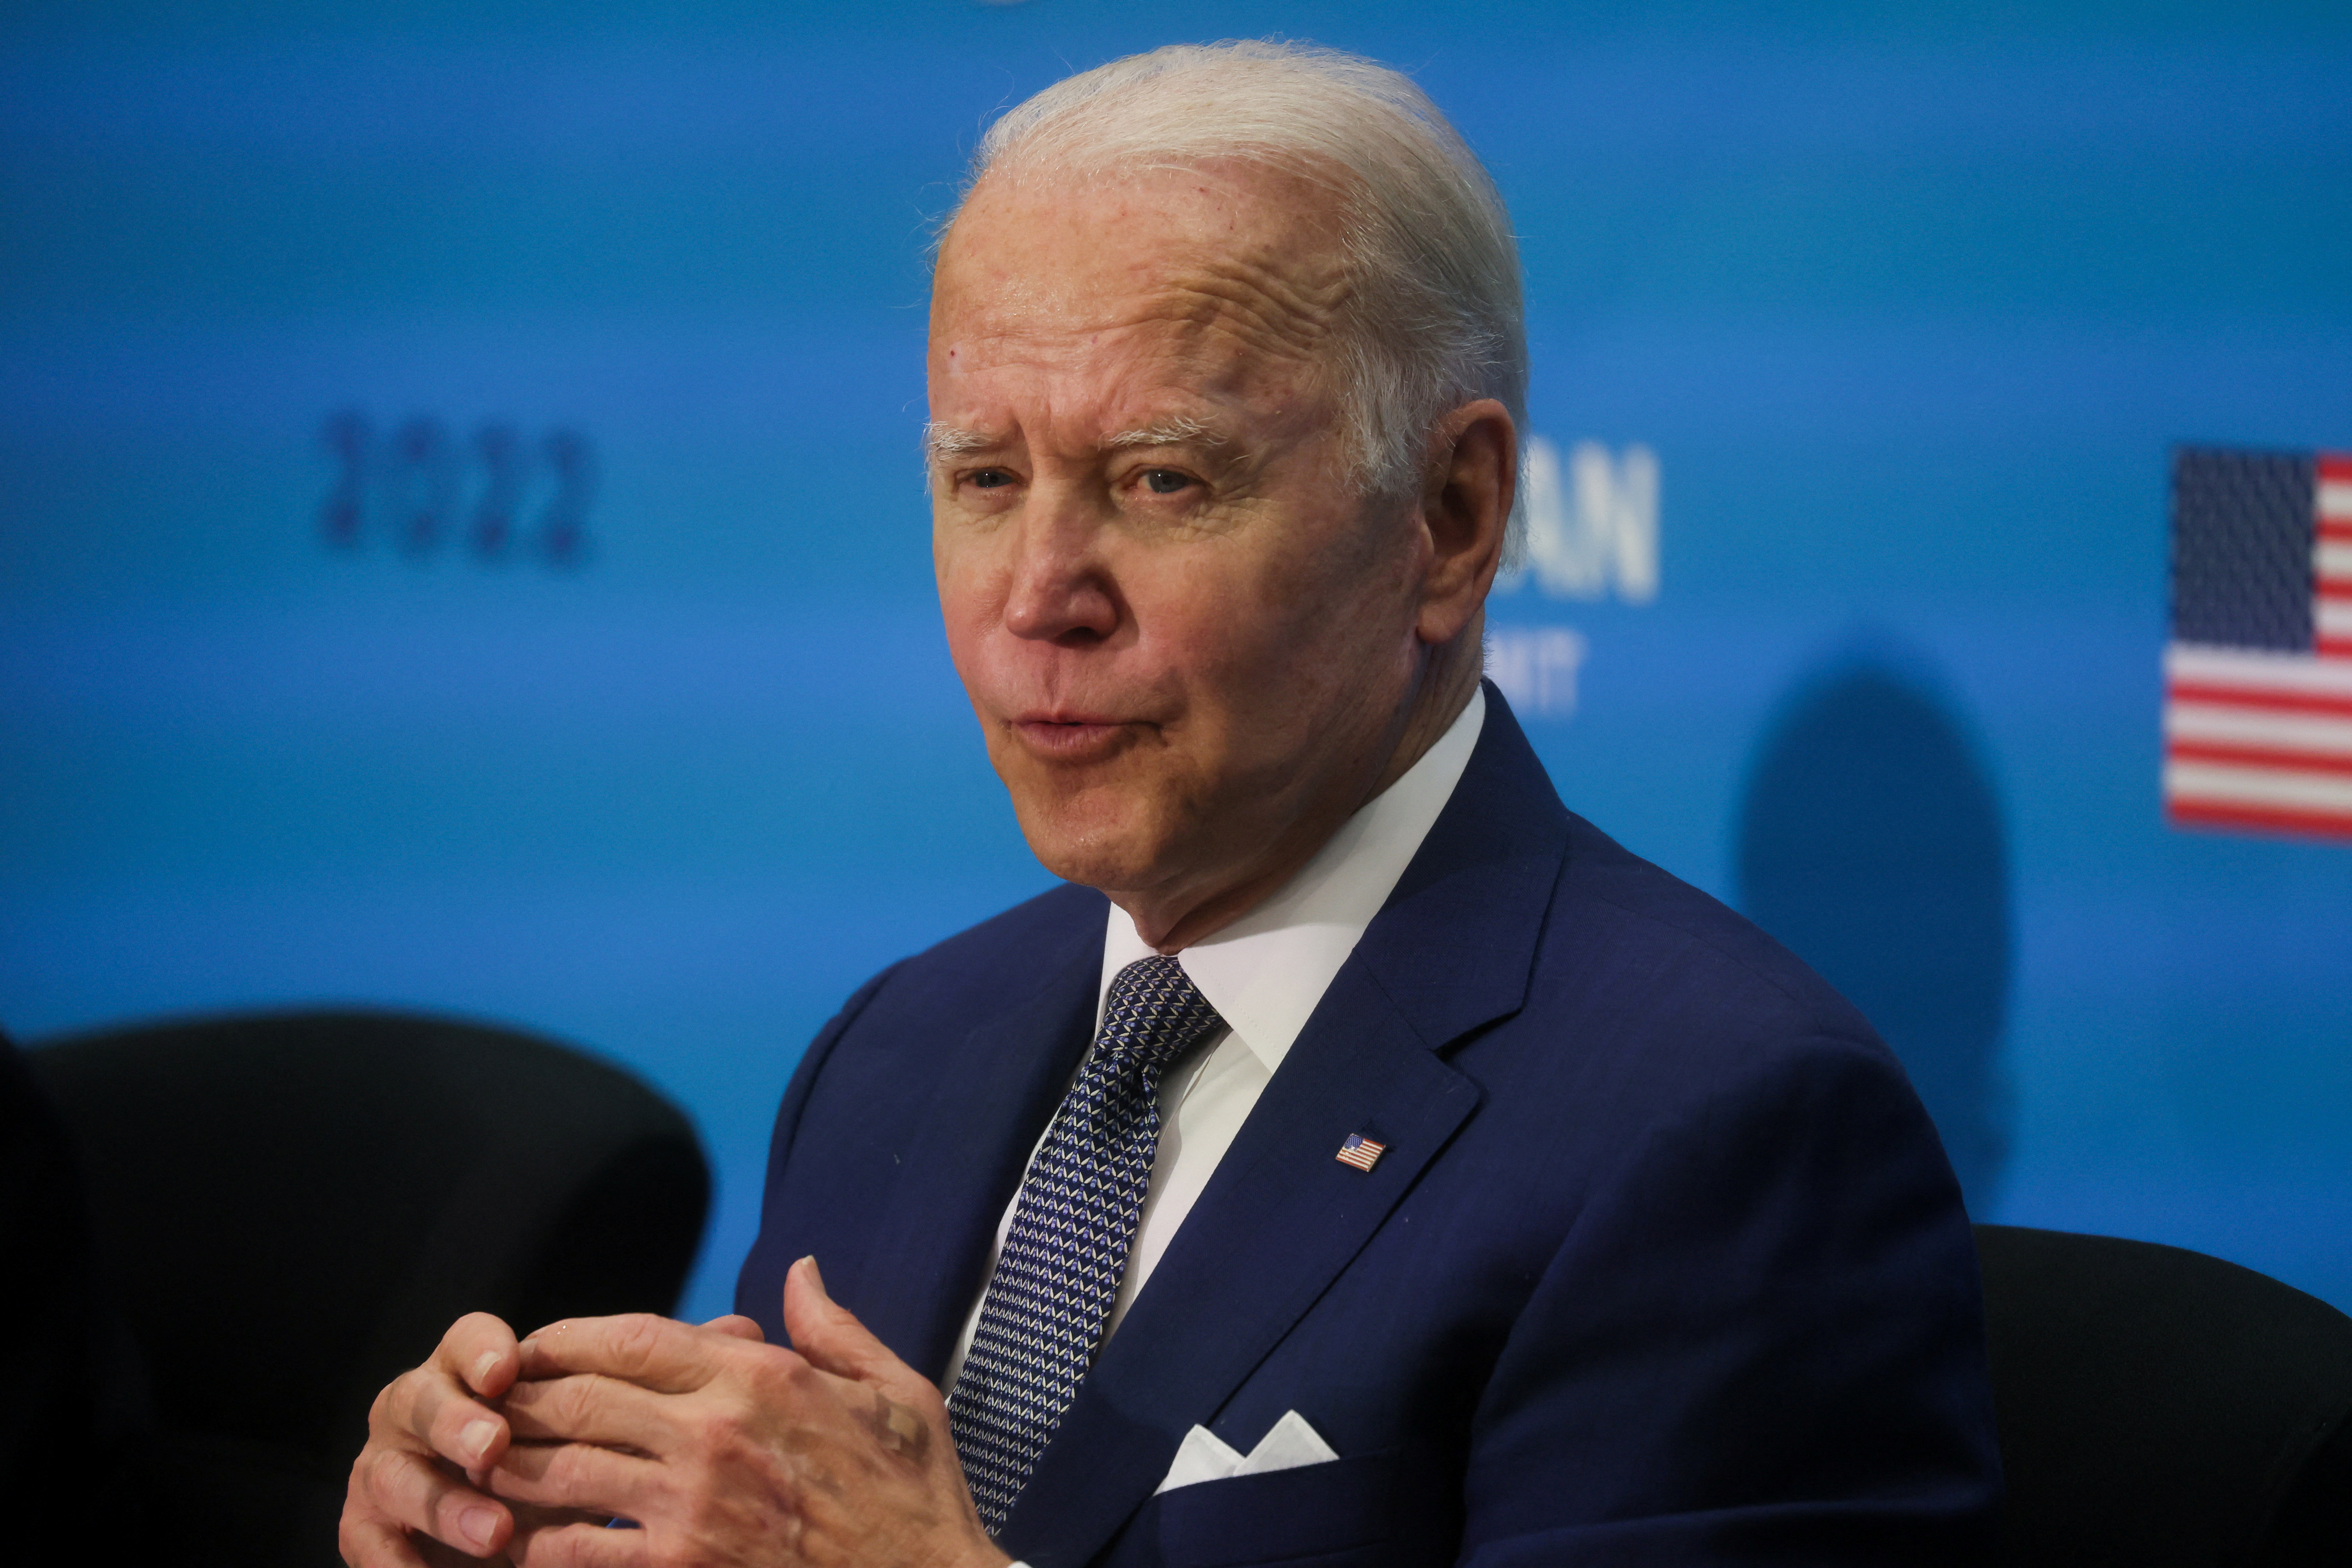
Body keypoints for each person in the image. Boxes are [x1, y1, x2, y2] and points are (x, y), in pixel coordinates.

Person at [340, 41, 2000, 1568]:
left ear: (1450, 513)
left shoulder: (1715, 1135)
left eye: (1158, 479)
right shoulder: (899, 1049)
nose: (1039, 595)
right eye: (985, 478)